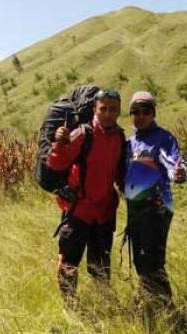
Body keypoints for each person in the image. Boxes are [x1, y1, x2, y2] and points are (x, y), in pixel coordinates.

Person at [48, 89, 125, 307]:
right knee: (69, 262)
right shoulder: (83, 134)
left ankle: (103, 304)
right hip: (78, 211)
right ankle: (71, 306)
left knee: (100, 265)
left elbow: (119, 172)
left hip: (104, 213)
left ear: (119, 111)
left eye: (113, 110)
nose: (108, 114)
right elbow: (56, 163)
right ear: (94, 109)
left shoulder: (119, 136)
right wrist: (59, 143)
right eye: (103, 109)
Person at [123, 91, 187, 307]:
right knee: (140, 260)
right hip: (135, 210)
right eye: (135, 112)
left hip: (156, 208)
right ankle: (147, 303)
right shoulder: (129, 143)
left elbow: (173, 162)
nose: (140, 116)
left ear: (153, 113)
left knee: (153, 261)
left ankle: (168, 310)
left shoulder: (163, 138)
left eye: (146, 112)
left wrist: (178, 173)